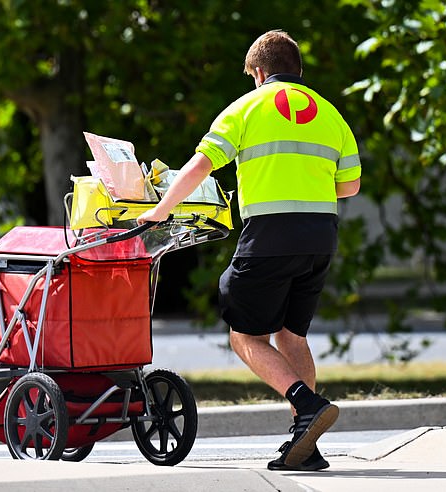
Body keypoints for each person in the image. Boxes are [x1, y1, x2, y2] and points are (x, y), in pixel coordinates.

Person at [137, 30, 361, 471]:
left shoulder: (246, 107)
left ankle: (306, 404)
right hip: (320, 237)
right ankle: (306, 445)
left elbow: (202, 164)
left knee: (244, 334)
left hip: (270, 237)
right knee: (291, 336)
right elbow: (349, 185)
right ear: (297, 70)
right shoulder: (330, 114)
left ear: (258, 73)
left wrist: (161, 210)